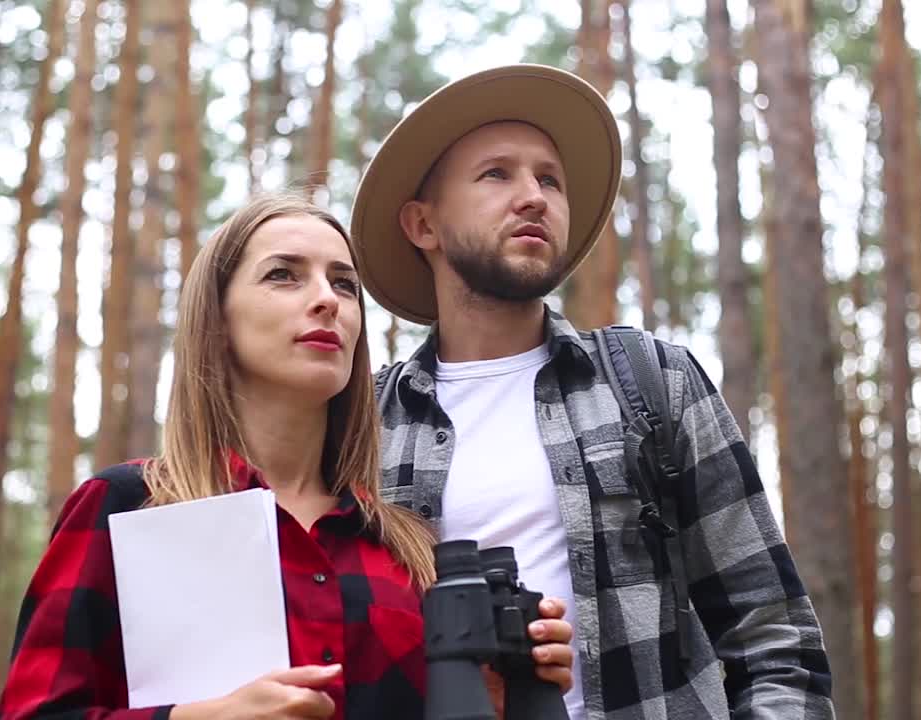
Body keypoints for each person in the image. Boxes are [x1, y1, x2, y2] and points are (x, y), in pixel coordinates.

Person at [351, 64, 835, 719]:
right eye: (497, 174)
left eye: (549, 178)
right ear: (422, 225)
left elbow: (775, 641)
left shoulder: (650, 381)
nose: (534, 197)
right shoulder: (366, 424)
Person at [0, 194, 575, 720]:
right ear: (217, 321)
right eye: (284, 276)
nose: (327, 300)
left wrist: (501, 700)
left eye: (344, 285)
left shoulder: (407, 551)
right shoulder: (129, 509)